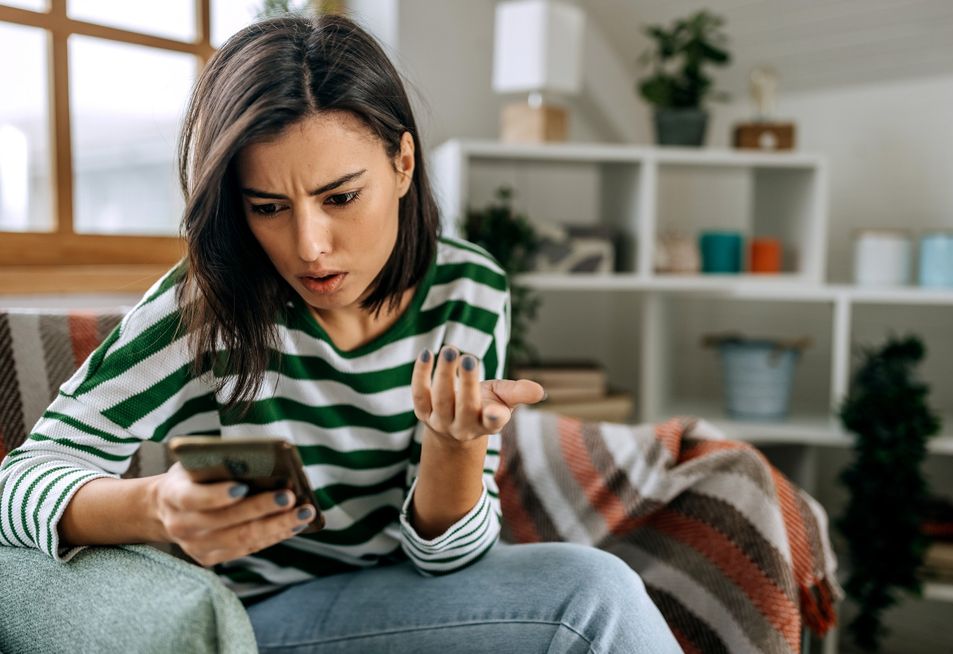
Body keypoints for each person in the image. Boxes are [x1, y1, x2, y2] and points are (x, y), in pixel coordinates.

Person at [0, 13, 681, 653]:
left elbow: (452, 559)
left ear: (403, 164)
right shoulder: (205, 308)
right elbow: (19, 484)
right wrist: (155, 507)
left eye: (340, 197)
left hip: (412, 598)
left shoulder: (469, 288)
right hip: (266, 617)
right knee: (595, 599)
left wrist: (452, 446)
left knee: (596, 592)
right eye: (269, 208)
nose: (309, 247)